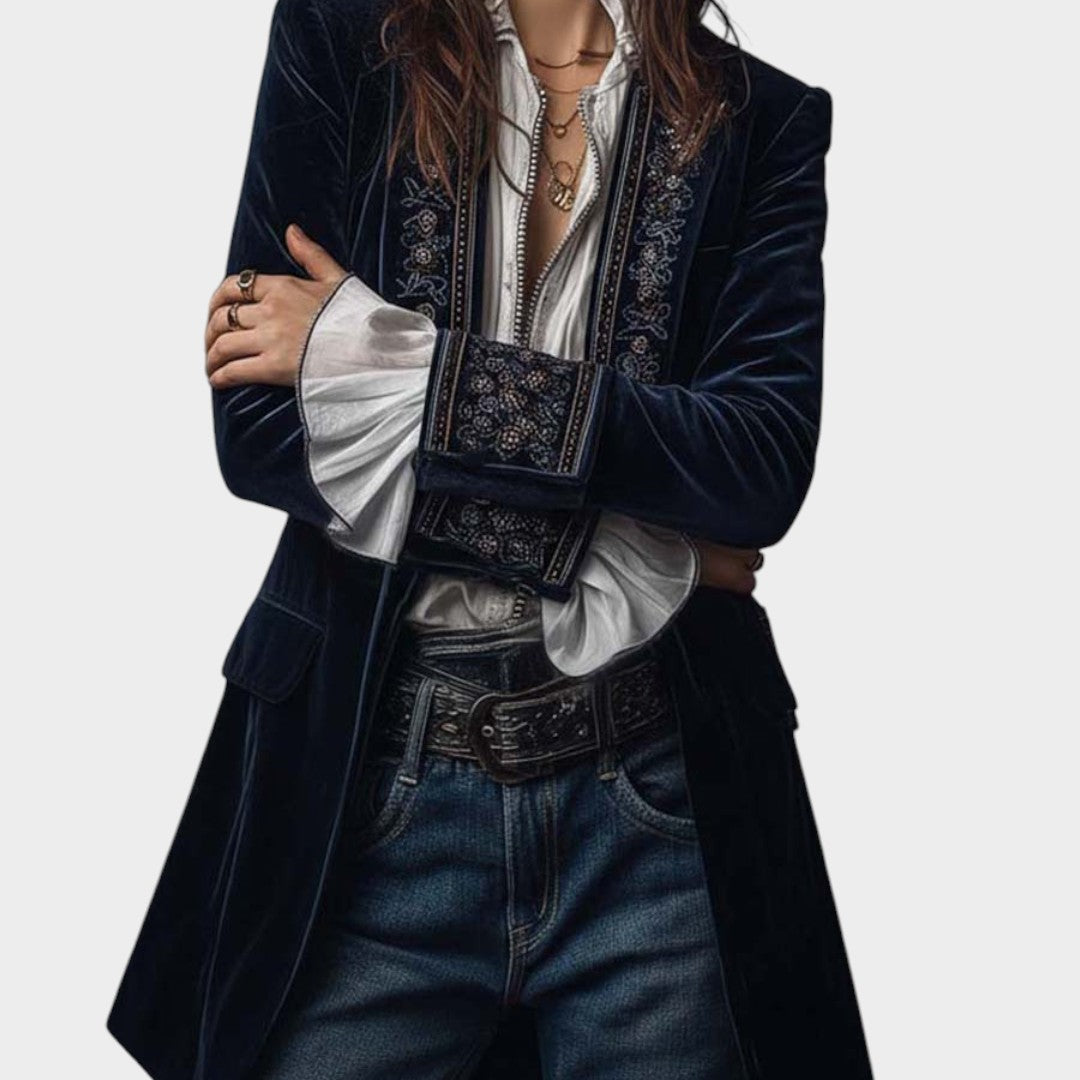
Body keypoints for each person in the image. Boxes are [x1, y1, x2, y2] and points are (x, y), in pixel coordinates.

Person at [108, 1, 873, 1077]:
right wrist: (639, 550)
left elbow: (754, 467)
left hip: (660, 801)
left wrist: (399, 363)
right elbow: (266, 432)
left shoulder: (762, 120)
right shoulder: (343, 43)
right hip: (367, 787)